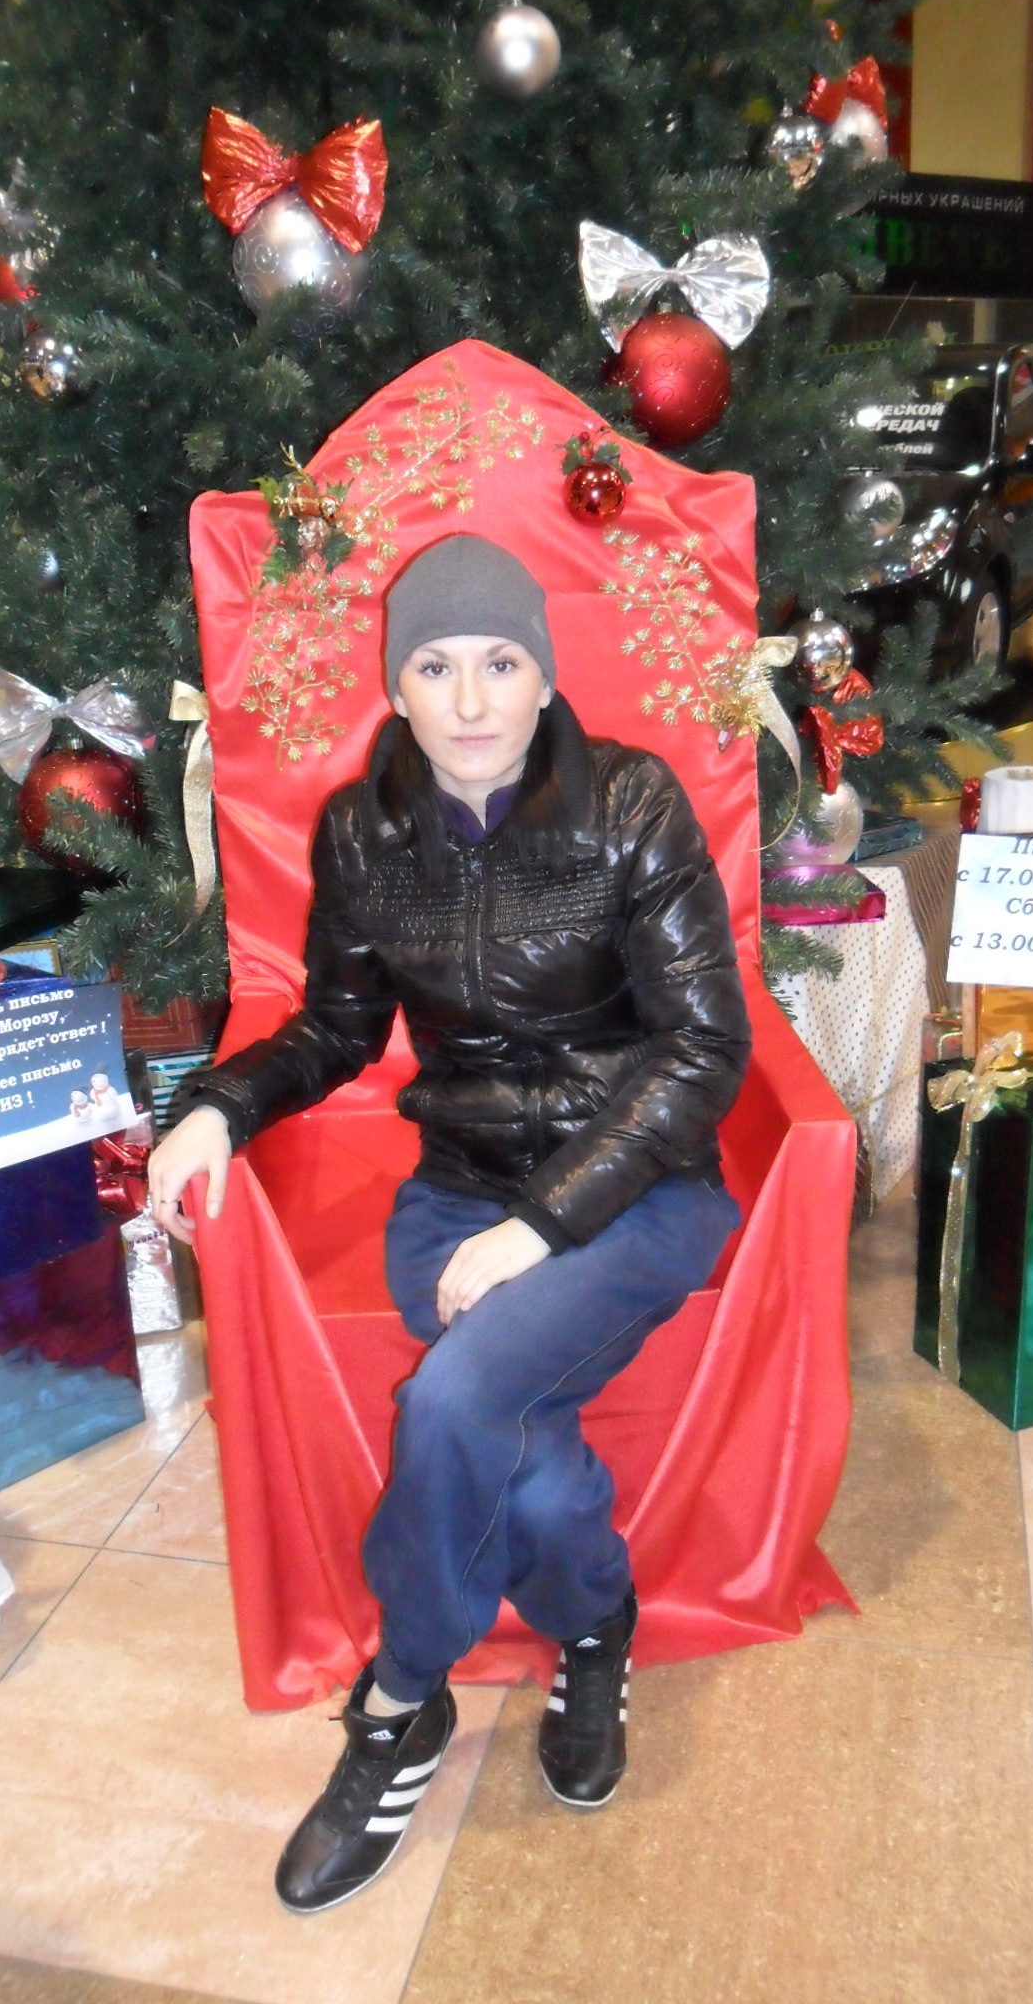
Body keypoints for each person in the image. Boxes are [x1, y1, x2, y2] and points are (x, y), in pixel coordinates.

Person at [148, 532, 750, 1914]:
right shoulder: (363, 833)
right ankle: (593, 1626)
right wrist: (218, 1108)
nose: (470, 698)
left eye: (499, 661)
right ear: (395, 685)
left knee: (457, 1397)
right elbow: (338, 1027)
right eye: (434, 665)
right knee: (517, 1454)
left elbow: (703, 1049)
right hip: (459, 1192)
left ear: (544, 675)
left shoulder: (631, 803)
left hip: (640, 1191)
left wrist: (541, 1227)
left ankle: (400, 1698)